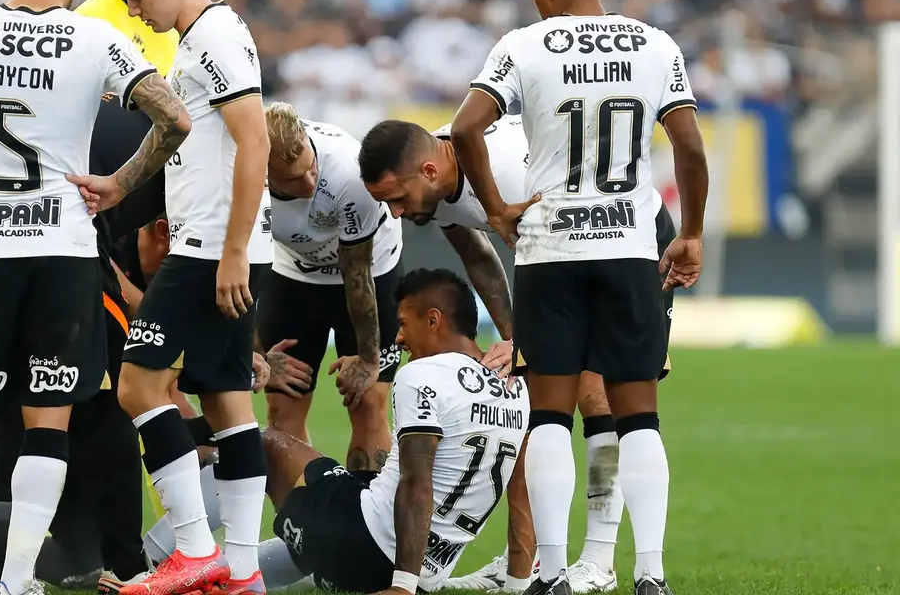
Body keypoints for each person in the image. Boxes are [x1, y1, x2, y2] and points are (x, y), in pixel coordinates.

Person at [0, 0, 190, 592]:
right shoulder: (93, 38)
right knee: (47, 423)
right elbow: (176, 120)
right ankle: (15, 581)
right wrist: (119, 183)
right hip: (63, 253)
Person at [449, 0, 708, 593]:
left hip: (551, 249)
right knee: (639, 418)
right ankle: (651, 574)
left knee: (547, 418)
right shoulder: (654, 44)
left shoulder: (521, 45)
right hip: (630, 247)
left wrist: (494, 208)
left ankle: (555, 575)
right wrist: (690, 234)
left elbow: (464, 128)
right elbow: (690, 148)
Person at [357, 116, 678, 593]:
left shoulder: (507, 172)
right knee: (538, 393)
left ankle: (599, 558)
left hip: (624, 235)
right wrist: (517, 339)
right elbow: (479, 256)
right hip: (569, 247)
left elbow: (567, 248)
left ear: (427, 171)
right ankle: (524, 562)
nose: (398, 214)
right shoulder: (442, 176)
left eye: (398, 199)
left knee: (596, 393)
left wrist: (524, 339)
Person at [67, 0, 273, 594]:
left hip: (209, 248)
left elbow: (254, 140)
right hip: (224, 246)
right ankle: (241, 572)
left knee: (136, 386)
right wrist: (120, 184)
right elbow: (179, 135)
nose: (132, 8)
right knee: (228, 400)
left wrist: (232, 249)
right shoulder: (205, 35)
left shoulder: (214, 36)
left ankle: (193, 549)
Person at [264, 267, 528, 594]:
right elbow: (522, 486)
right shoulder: (516, 387)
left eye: (403, 324)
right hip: (428, 572)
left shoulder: (421, 374)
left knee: (263, 443)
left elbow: (416, 482)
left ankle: (203, 555)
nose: (399, 338)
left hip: (366, 547)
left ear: (433, 320)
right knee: (363, 480)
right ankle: (262, 569)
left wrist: (402, 586)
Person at [256, 101, 404, 473]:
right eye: (291, 179)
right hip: (293, 273)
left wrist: (370, 359)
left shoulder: (348, 172)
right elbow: (230, 275)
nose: (308, 185)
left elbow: (357, 275)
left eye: (310, 167)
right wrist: (253, 353)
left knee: (368, 404)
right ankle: (303, 526)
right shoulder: (236, 176)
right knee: (281, 409)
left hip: (371, 271)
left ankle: (367, 525)